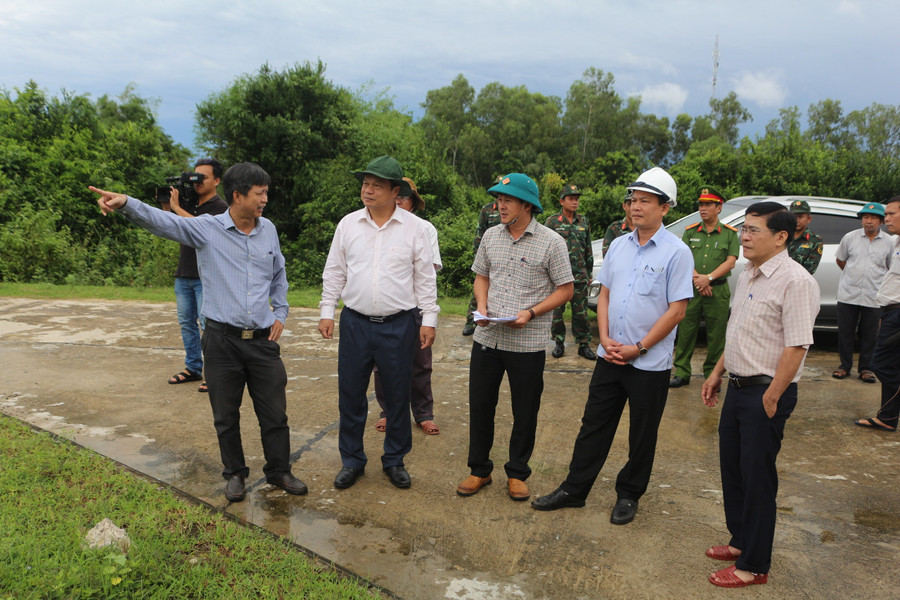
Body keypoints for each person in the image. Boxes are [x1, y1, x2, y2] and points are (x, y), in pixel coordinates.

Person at [89, 162, 307, 503]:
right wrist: (128, 203)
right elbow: (165, 222)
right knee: (225, 415)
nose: (265, 199)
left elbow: (279, 273)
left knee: (275, 414)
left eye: (266, 193)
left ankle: (278, 470)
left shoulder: (269, 231)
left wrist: (280, 310)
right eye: (259, 193)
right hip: (221, 342)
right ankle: (235, 474)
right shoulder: (207, 229)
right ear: (238, 195)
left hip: (263, 342)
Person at [531, 167, 693, 525]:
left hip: (648, 363)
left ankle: (629, 494)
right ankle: (575, 489)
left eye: (645, 201)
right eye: (633, 200)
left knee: (642, 434)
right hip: (610, 355)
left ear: (665, 208)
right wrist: (603, 338)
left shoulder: (676, 252)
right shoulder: (619, 245)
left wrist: (640, 347)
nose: (635, 207)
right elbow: (603, 295)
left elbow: (677, 309)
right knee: (594, 425)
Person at [701, 201, 819, 588]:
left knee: (757, 480)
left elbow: (798, 345)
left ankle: (754, 565)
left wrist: (773, 397)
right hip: (737, 386)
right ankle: (739, 540)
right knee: (733, 471)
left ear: (780, 236)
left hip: (764, 393)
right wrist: (718, 372)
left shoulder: (796, 281)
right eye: (744, 229)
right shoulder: (748, 273)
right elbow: (737, 331)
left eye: (753, 230)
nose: (744, 236)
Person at [319, 156, 439, 491]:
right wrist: (327, 310)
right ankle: (352, 460)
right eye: (365, 184)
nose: (367, 191)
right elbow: (335, 270)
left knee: (398, 394)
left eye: (376, 185)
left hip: (399, 324)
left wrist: (428, 319)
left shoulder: (416, 229)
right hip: (355, 322)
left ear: (394, 190)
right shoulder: (348, 225)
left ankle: (394, 460)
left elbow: (425, 278)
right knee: (351, 394)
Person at [456, 173, 573, 502]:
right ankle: (480, 469)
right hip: (488, 338)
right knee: (480, 406)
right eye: (498, 199)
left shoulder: (552, 242)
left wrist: (532, 313)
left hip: (527, 344)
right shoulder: (492, 235)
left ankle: (518, 472)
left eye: (507, 200)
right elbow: (481, 276)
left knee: (525, 410)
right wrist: (481, 306)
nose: (500, 205)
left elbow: (566, 290)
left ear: (526, 205)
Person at [373, 177, 442, 436]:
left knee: (420, 362)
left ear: (413, 202)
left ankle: (423, 413)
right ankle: (388, 411)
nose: (399, 201)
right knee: (383, 363)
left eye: (404, 197)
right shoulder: (374, 226)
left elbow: (428, 270)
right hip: (385, 307)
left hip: (414, 306)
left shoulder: (424, 229)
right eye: (397, 196)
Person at [164, 158, 228, 393]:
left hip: (205, 277)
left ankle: (214, 374)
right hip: (184, 273)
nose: (197, 181)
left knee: (208, 327)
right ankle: (193, 368)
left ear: (217, 181)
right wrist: (167, 210)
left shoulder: (220, 207)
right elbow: (174, 227)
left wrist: (177, 210)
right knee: (186, 323)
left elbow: (201, 227)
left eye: (204, 177)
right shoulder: (189, 203)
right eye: (195, 176)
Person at [669, 187, 739, 388]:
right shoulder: (691, 232)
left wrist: (707, 278)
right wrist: (699, 282)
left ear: (719, 208)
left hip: (717, 290)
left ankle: (712, 374)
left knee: (716, 335)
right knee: (686, 331)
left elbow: (731, 262)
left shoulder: (729, 234)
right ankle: (682, 372)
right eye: (701, 204)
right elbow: (684, 259)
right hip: (692, 290)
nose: (703, 208)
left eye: (708, 204)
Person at [855, 196, 900, 433]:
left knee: (881, 364)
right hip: (890, 311)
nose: (887, 219)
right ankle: (888, 417)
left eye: (892, 214)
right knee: (890, 364)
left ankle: (889, 416)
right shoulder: (896, 242)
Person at [833, 202, 892, 382]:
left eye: (873, 218)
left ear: (881, 221)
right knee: (845, 333)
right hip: (848, 294)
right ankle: (844, 367)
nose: (869, 221)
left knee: (870, 335)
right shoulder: (850, 238)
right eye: (866, 217)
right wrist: (853, 276)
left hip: (874, 296)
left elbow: (890, 267)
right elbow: (841, 260)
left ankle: (866, 369)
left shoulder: (889, 242)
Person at [544, 184, 596, 360]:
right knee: (557, 313)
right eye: (571, 198)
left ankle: (583, 345)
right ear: (562, 201)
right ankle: (559, 342)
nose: (575, 202)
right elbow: (545, 249)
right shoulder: (552, 222)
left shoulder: (584, 221)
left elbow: (588, 248)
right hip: (558, 278)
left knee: (581, 313)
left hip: (579, 276)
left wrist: (588, 273)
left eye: (577, 198)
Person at [462, 196, 502, 336]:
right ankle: (471, 321)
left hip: (504, 256)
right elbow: (480, 232)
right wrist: (477, 255)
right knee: (480, 288)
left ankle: (495, 319)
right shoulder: (487, 210)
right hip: (488, 255)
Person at [786, 200, 823, 274]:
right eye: (794, 217)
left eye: (800, 217)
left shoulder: (815, 240)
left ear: (809, 219)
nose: (797, 220)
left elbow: (810, 269)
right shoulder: (782, 236)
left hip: (799, 282)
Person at [601, 191, 636, 256]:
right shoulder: (614, 228)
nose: (632, 208)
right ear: (624, 206)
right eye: (629, 204)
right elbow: (606, 255)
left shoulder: (646, 228)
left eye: (634, 203)